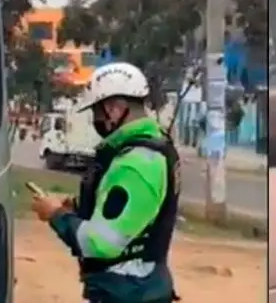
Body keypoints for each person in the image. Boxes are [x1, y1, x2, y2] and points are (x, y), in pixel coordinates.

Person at [30, 62, 181, 303]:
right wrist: (79, 210)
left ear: (114, 109)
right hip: (136, 290)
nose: (94, 121)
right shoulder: (147, 148)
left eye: (96, 113)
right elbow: (133, 218)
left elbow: (100, 244)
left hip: (129, 293)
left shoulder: (135, 164)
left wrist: (57, 215)